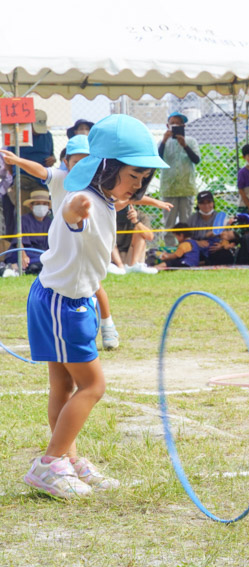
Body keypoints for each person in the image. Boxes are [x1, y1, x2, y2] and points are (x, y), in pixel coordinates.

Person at [23, 114, 167, 498]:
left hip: (68, 300)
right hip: (62, 304)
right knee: (94, 385)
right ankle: (50, 463)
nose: (138, 184)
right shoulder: (81, 200)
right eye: (133, 175)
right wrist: (73, 213)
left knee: (64, 383)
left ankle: (66, 458)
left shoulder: (105, 198)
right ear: (107, 167)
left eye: (143, 178)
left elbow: (116, 201)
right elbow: (73, 213)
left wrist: (139, 197)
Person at [158, 112, 201, 245]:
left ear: (183, 126)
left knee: (186, 221)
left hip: (186, 188)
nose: (175, 125)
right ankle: (169, 248)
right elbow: (157, 159)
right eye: (172, 123)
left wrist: (185, 146)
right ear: (167, 126)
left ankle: (187, 248)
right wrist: (164, 141)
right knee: (169, 222)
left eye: (178, 123)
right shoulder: (162, 143)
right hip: (169, 188)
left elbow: (196, 160)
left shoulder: (191, 141)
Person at [2, 190, 52, 277]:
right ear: (31, 206)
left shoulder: (50, 222)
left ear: (48, 207)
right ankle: (15, 266)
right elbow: (18, 241)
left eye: (44, 204)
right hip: (22, 252)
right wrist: (23, 256)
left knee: (46, 259)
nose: (41, 206)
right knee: (43, 259)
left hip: (40, 254)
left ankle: (16, 269)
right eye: (38, 203)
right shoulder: (23, 220)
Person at [113, 204, 156, 273]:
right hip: (114, 256)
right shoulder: (109, 213)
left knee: (139, 231)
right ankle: (120, 267)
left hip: (132, 255)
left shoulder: (140, 215)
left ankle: (134, 267)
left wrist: (136, 221)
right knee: (107, 237)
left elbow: (150, 236)